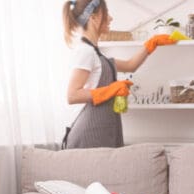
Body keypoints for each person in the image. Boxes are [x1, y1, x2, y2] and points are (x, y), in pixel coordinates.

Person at [61, 0, 176, 149]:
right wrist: (112, 89)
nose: (110, 19)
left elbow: (130, 65)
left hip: (102, 129)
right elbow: (72, 95)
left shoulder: (97, 54)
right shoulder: (85, 52)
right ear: (94, 18)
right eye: (106, 14)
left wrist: (151, 44)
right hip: (89, 135)